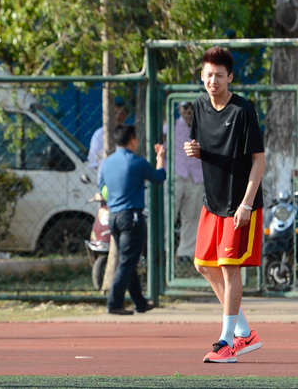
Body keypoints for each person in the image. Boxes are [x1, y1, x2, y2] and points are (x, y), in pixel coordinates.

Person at [185, 46, 265, 363]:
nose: (213, 80)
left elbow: (258, 161)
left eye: (219, 75)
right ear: (202, 77)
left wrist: (246, 204)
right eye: (208, 75)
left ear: (229, 77)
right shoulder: (200, 106)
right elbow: (209, 147)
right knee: (203, 264)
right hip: (212, 200)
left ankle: (227, 342)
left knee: (229, 268)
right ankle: (245, 332)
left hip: (238, 204)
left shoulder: (243, 111)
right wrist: (197, 151)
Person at [97, 125, 166, 315]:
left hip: (113, 217)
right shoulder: (136, 162)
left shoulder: (107, 163)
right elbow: (159, 178)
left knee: (129, 259)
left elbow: (101, 186)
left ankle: (140, 303)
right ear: (132, 140)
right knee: (128, 261)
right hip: (132, 217)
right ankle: (114, 303)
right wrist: (160, 158)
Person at [165, 102, 203, 262]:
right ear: (179, 109)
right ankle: (165, 250)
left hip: (197, 176)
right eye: (185, 107)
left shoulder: (203, 127)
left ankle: (185, 252)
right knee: (168, 214)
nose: (188, 111)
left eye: (191, 107)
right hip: (176, 174)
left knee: (192, 215)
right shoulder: (170, 127)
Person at [87, 98, 129, 169]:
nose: (118, 116)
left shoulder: (127, 134)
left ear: (125, 117)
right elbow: (93, 160)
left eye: (121, 113)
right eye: (115, 113)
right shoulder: (100, 134)